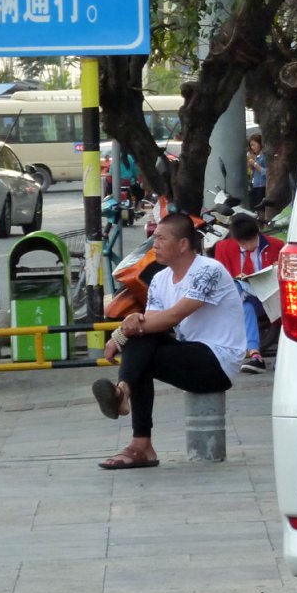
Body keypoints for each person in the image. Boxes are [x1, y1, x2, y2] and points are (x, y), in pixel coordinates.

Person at [92, 212, 247, 469]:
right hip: (189, 353)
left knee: (140, 344)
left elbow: (173, 316)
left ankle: (138, 438)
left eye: (162, 239)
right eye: (154, 238)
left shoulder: (209, 270)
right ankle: (125, 398)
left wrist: (120, 335)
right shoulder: (160, 279)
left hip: (218, 361)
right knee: (141, 342)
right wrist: (131, 326)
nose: (155, 245)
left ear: (183, 244)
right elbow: (149, 325)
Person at [212, 211, 285, 373]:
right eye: (243, 243)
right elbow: (221, 280)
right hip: (242, 300)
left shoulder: (276, 246)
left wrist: (276, 268)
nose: (249, 245)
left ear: (257, 233)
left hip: (268, 298)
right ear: (235, 240)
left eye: (252, 240)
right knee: (244, 302)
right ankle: (255, 355)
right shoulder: (223, 248)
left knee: (241, 296)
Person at [247, 135, 267, 210]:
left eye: (254, 145)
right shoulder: (256, 157)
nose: (252, 147)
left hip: (262, 186)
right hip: (255, 185)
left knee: (261, 210)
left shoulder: (264, 156)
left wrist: (255, 164)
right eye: (251, 145)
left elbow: (266, 173)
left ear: (260, 144)